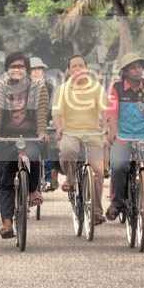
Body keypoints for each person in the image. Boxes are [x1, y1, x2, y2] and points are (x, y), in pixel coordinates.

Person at [0, 51, 50, 239]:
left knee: (32, 157)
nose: (17, 70)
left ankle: (32, 189)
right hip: (6, 136)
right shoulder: (1, 86)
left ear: (27, 69)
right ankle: (7, 223)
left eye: (21, 66)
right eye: (13, 66)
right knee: (5, 178)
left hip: (30, 135)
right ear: (7, 69)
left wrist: (42, 132)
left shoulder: (38, 87)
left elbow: (41, 112)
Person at [104, 52, 144, 225]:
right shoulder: (116, 87)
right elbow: (111, 112)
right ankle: (117, 203)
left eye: (139, 67)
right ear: (125, 71)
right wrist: (113, 131)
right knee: (119, 166)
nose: (137, 70)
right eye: (133, 67)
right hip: (122, 136)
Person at [52, 54, 108, 224]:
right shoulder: (62, 90)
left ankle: (97, 211)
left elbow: (105, 111)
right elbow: (57, 113)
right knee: (67, 151)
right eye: (74, 66)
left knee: (98, 171)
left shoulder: (97, 89)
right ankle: (70, 179)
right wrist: (59, 128)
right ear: (69, 71)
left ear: (86, 69)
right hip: (71, 133)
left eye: (81, 65)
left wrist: (105, 129)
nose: (78, 69)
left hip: (93, 134)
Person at [31, 56, 59, 190]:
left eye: (39, 69)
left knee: (50, 147)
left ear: (43, 71)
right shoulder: (24, 87)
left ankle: (49, 177)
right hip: (28, 126)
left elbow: (53, 107)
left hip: (47, 123)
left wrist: (51, 121)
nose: (36, 72)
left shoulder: (50, 87)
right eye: (33, 69)